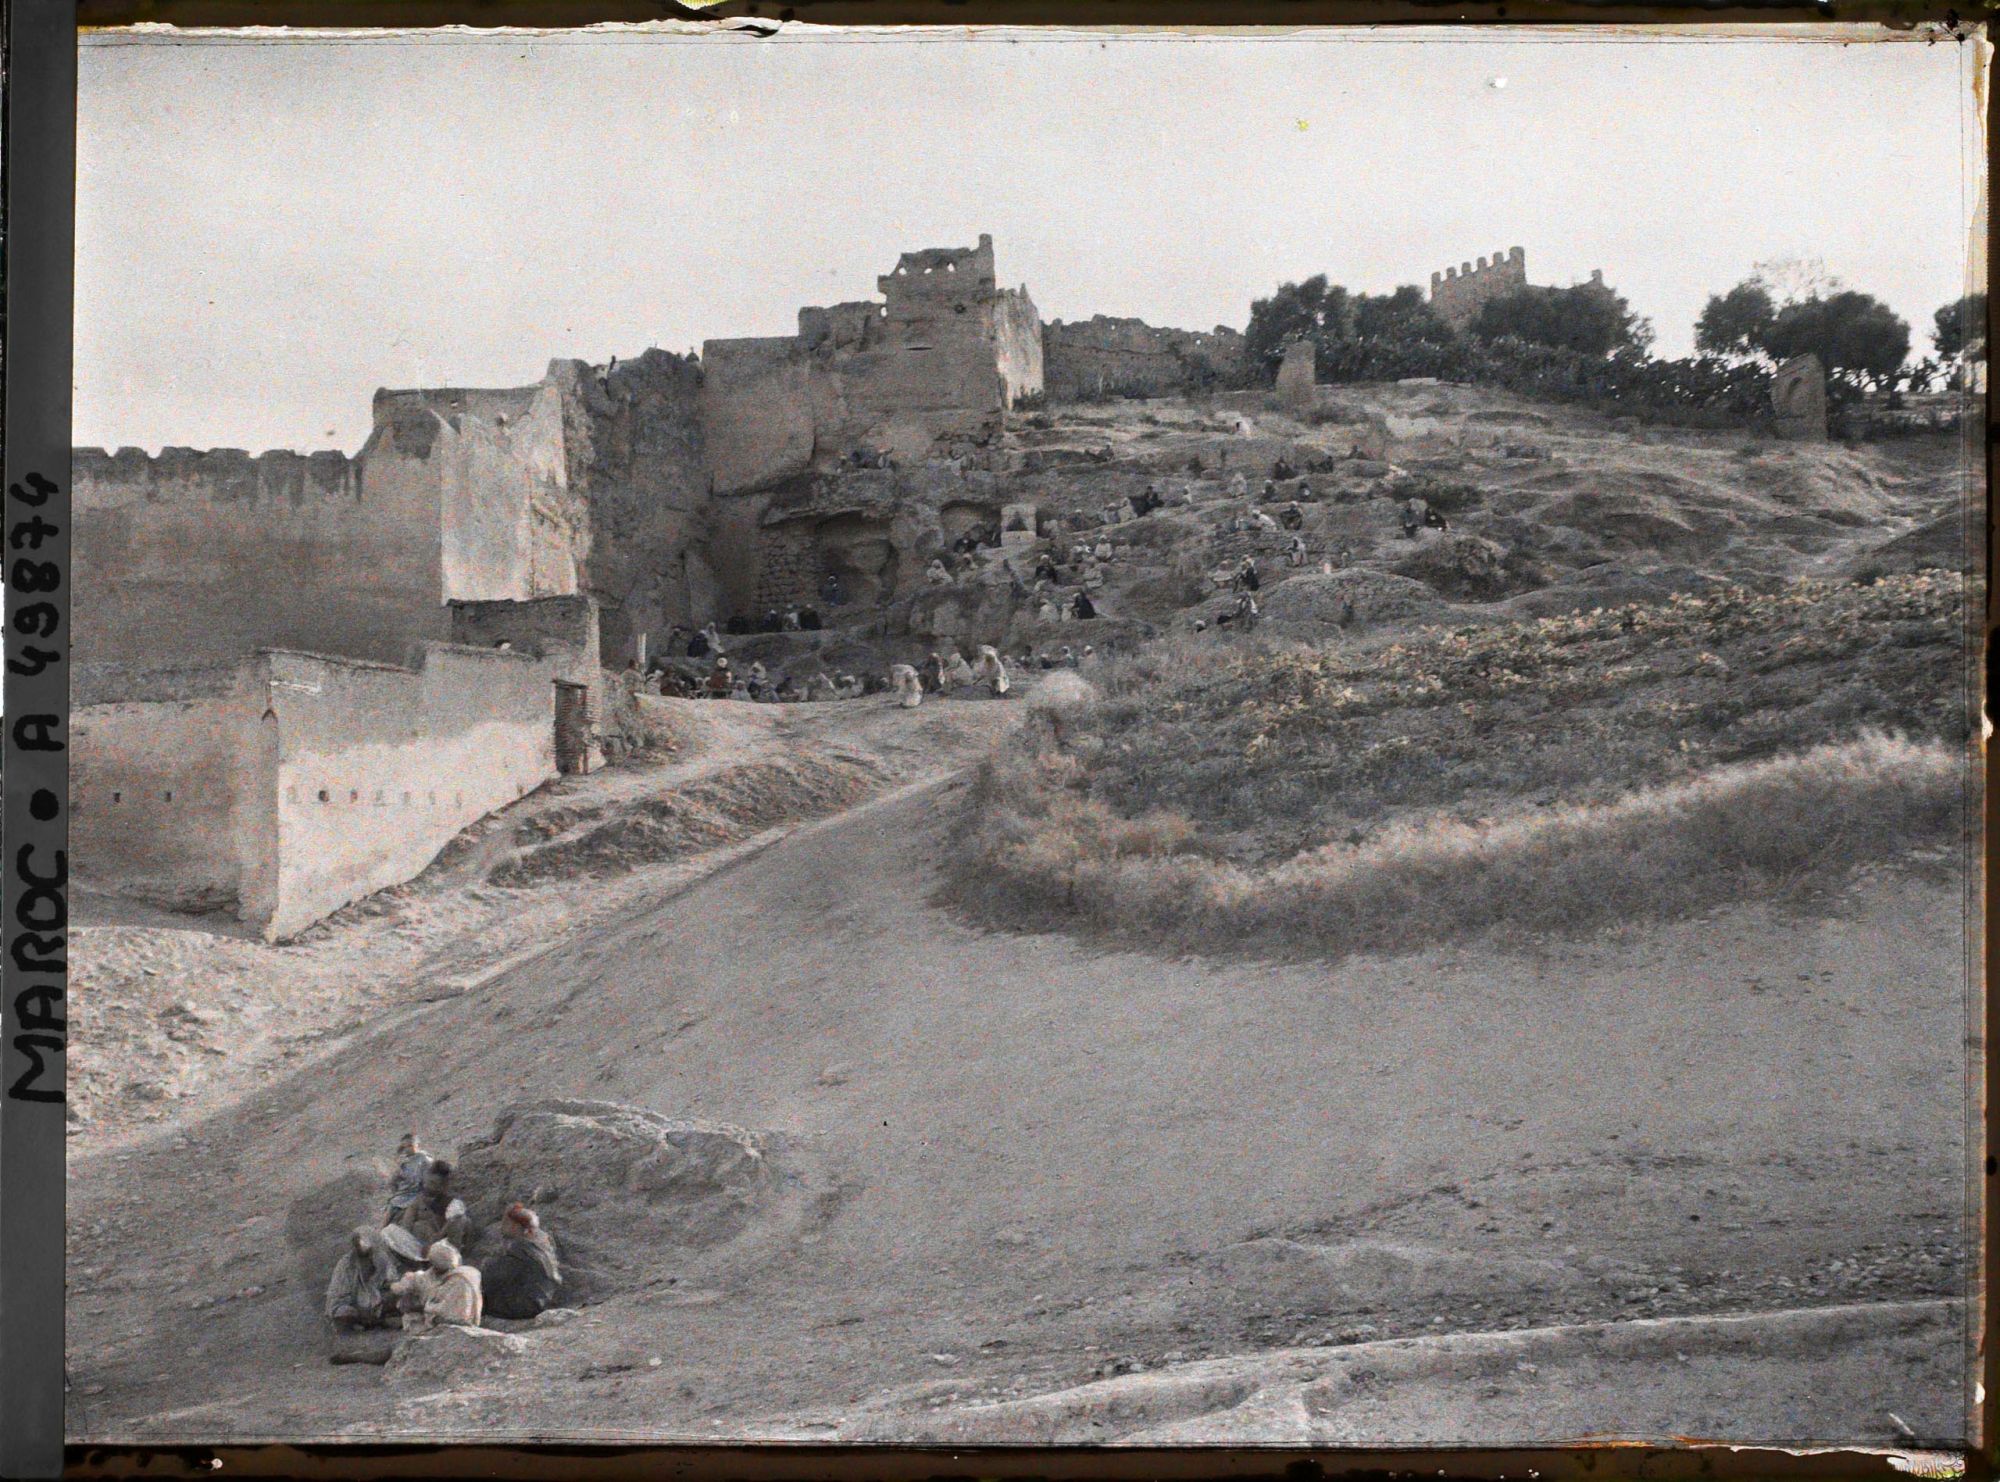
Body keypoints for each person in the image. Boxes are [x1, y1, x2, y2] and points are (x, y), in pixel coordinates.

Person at [477, 1205, 562, 1322]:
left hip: (525, 1306)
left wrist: (484, 1266)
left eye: (506, 1222)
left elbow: (494, 1277)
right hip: (542, 1300)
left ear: (515, 1225)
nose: (502, 1226)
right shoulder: (541, 1244)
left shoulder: (520, 1249)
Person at [391, 1240, 482, 1331]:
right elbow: (399, 1288)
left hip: (456, 1319)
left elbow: (446, 1310)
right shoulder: (471, 1272)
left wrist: (426, 1306)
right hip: (468, 1319)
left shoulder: (458, 1280)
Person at [325, 1225, 398, 1331]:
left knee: (397, 1296)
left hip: (378, 1300)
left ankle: (375, 1321)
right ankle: (374, 1322)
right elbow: (340, 1293)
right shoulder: (346, 1264)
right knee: (344, 1313)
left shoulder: (380, 1258)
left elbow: (391, 1279)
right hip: (355, 1303)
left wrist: (385, 1287)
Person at [396, 1161, 469, 1251]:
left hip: (445, 1249)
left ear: (443, 1186)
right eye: (426, 1182)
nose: (427, 1185)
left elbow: (453, 1226)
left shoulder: (453, 1204)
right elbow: (407, 1223)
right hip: (420, 1247)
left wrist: (436, 1239)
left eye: (433, 1183)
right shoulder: (419, 1200)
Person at [385, 1133, 433, 1223]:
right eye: (405, 1147)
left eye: (410, 1146)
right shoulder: (405, 1162)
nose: (407, 1149)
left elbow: (426, 1179)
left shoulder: (424, 1160)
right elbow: (395, 1180)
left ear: (417, 1145)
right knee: (391, 1207)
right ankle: (382, 1229)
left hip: (417, 1192)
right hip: (404, 1193)